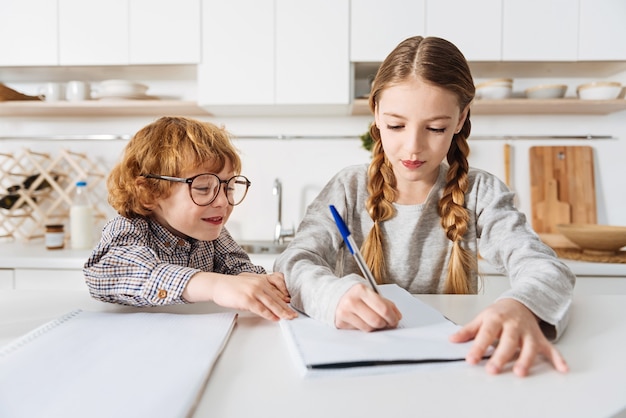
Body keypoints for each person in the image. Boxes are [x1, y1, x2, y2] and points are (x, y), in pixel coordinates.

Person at [274, 36, 575, 377]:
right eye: (396, 125)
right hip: (360, 368)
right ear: (375, 113)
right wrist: (332, 296)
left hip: (455, 366)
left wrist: (519, 306)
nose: (413, 147)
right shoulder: (348, 188)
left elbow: (547, 269)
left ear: (461, 120)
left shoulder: (481, 193)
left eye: (435, 128)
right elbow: (292, 263)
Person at [84, 116, 297, 322]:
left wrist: (258, 280)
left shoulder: (211, 231)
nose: (223, 201)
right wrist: (214, 285)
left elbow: (235, 266)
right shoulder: (129, 228)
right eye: (204, 188)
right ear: (149, 193)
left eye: (229, 187)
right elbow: (110, 272)